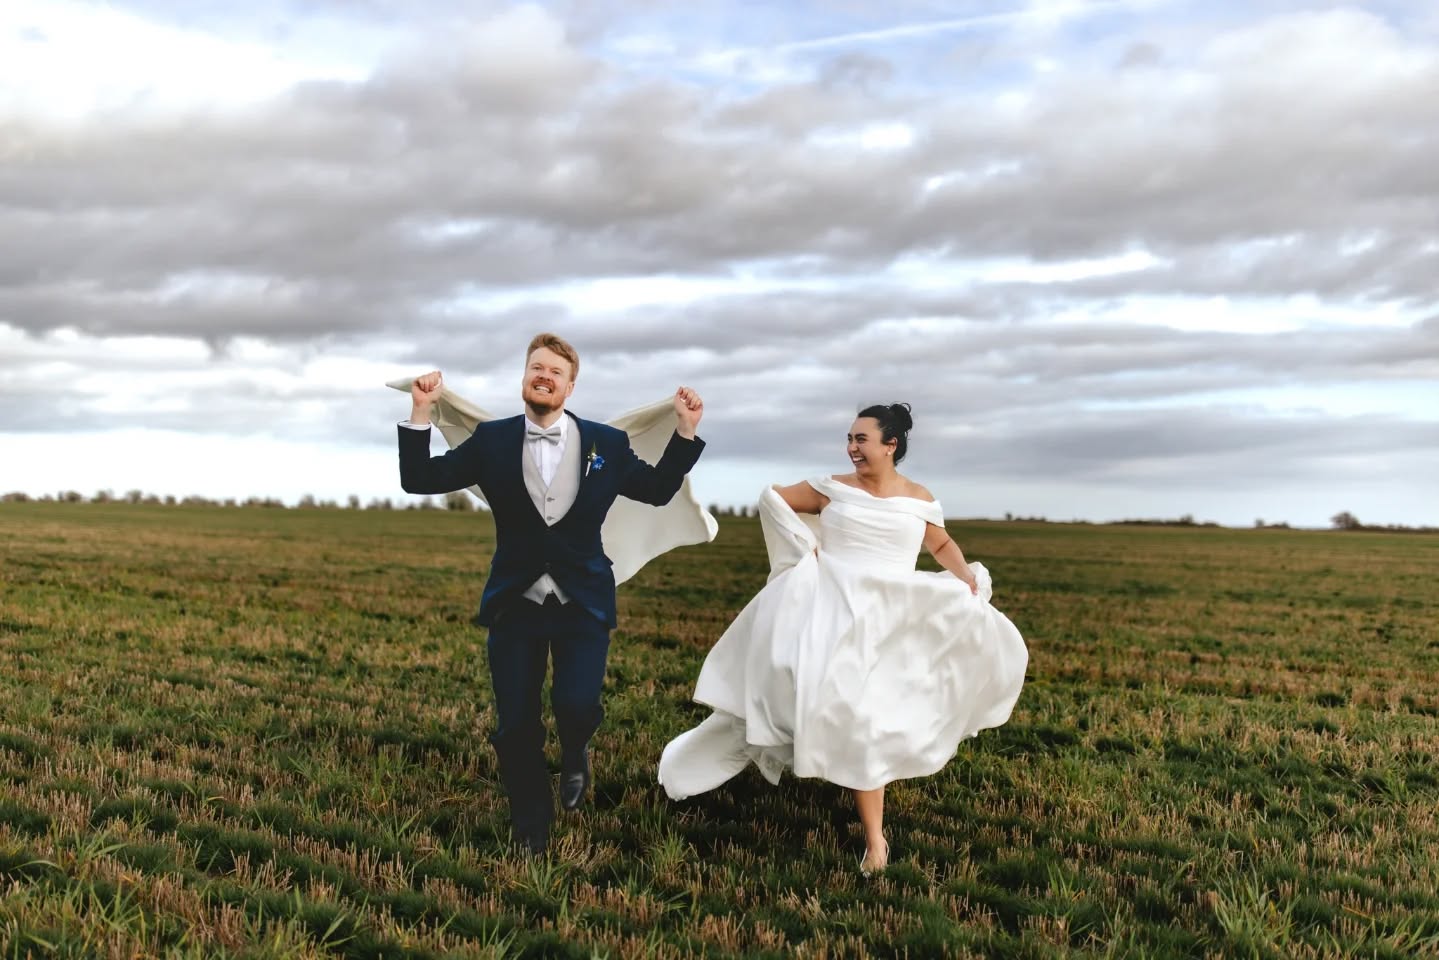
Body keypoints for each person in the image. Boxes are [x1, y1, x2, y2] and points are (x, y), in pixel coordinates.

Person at [658, 403, 1027, 875]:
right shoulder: (830, 489)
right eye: (849, 439)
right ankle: (870, 835)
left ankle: (874, 841)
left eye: (862, 440)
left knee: (867, 720)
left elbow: (939, 544)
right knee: (839, 712)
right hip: (832, 610)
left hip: (893, 618)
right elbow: (772, 499)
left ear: (890, 446)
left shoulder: (918, 498)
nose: (852, 448)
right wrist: (801, 545)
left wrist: (966, 580)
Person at [399, 333, 705, 855]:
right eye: (535, 367)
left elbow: (655, 490)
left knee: (576, 704)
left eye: (555, 371)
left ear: (570, 385)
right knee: (515, 722)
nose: (544, 375)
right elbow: (419, 478)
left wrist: (684, 431)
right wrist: (421, 412)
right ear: (525, 376)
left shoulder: (606, 444)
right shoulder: (492, 441)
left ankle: (577, 748)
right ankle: (530, 826)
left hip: (583, 599)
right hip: (512, 602)